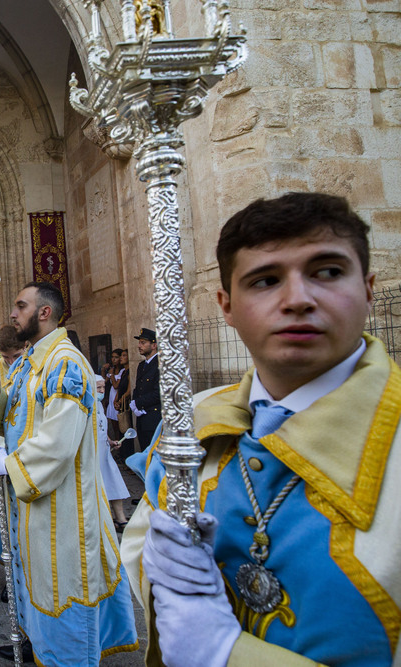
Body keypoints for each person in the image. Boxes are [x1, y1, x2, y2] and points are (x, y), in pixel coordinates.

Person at [121, 192, 400, 666]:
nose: (297, 300)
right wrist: (165, 577)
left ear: (369, 288)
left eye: (327, 272)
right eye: (266, 280)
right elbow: (141, 538)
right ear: (226, 306)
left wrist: (226, 654)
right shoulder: (195, 418)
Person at [0, 281, 138, 665]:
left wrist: (11, 464)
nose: (13, 313)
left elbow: (57, 442)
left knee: (61, 587)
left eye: (20, 306)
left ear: (44, 312)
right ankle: (36, 643)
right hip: (35, 505)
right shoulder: (33, 361)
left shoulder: (64, 363)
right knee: (37, 581)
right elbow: (14, 415)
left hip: (62, 508)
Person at [0, 324, 25, 600]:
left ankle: (25, 574)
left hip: (27, 455)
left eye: (15, 356)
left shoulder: (36, 366)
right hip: (3, 453)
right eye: (5, 358)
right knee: (2, 517)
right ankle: (10, 575)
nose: (11, 363)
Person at [95, 377, 131, 530]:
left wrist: (110, 441)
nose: (102, 391)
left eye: (103, 387)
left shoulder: (99, 405)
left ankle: (121, 518)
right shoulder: (83, 405)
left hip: (104, 453)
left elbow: (102, 427)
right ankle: (107, 521)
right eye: (98, 388)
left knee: (114, 481)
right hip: (95, 454)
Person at [130, 328, 161, 451]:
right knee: (144, 451)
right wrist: (134, 403)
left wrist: (138, 403)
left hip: (154, 417)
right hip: (142, 418)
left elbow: (158, 393)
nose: (139, 346)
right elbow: (138, 388)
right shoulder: (142, 365)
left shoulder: (160, 364)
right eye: (139, 342)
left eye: (143, 343)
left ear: (154, 345)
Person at [106, 348, 125, 440]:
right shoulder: (112, 370)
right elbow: (104, 381)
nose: (114, 359)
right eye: (112, 357)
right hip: (111, 397)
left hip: (117, 397)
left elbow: (116, 386)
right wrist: (103, 370)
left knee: (120, 426)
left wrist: (112, 375)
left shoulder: (122, 371)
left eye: (116, 357)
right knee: (114, 426)